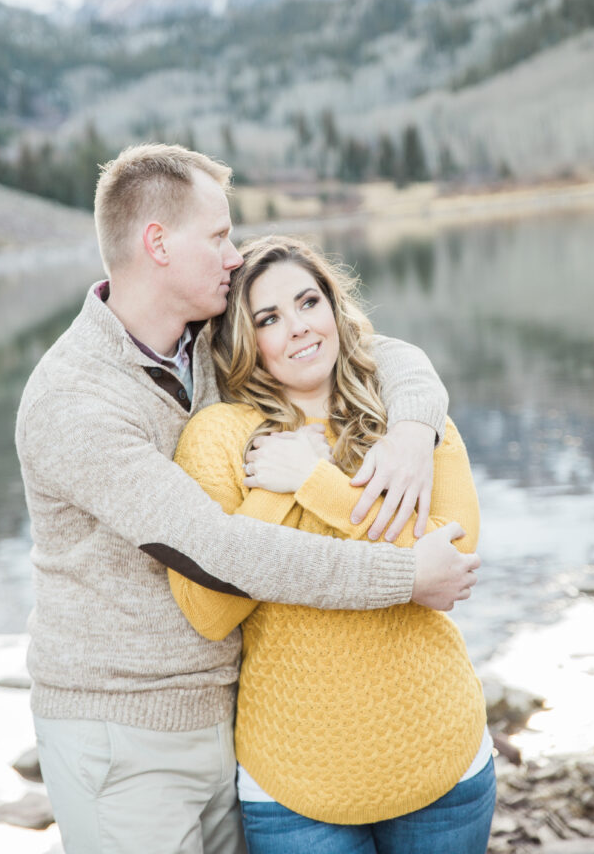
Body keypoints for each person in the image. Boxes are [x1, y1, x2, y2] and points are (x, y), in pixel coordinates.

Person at [15, 143, 480, 854]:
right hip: (125, 728)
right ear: (157, 243)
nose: (233, 254)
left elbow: (354, 345)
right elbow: (221, 552)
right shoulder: (74, 400)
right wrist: (406, 576)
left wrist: (415, 426)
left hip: (225, 717)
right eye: (219, 235)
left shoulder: (199, 342)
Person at [169, 235, 494, 854]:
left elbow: (451, 561)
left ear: (333, 309)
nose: (297, 328)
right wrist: (276, 488)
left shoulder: (405, 419)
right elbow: (209, 611)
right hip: (295, 787)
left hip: (440, 760)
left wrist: (315, 483)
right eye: (269, 318)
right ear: (245, 341)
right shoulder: (218, 438)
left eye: (308, 302)